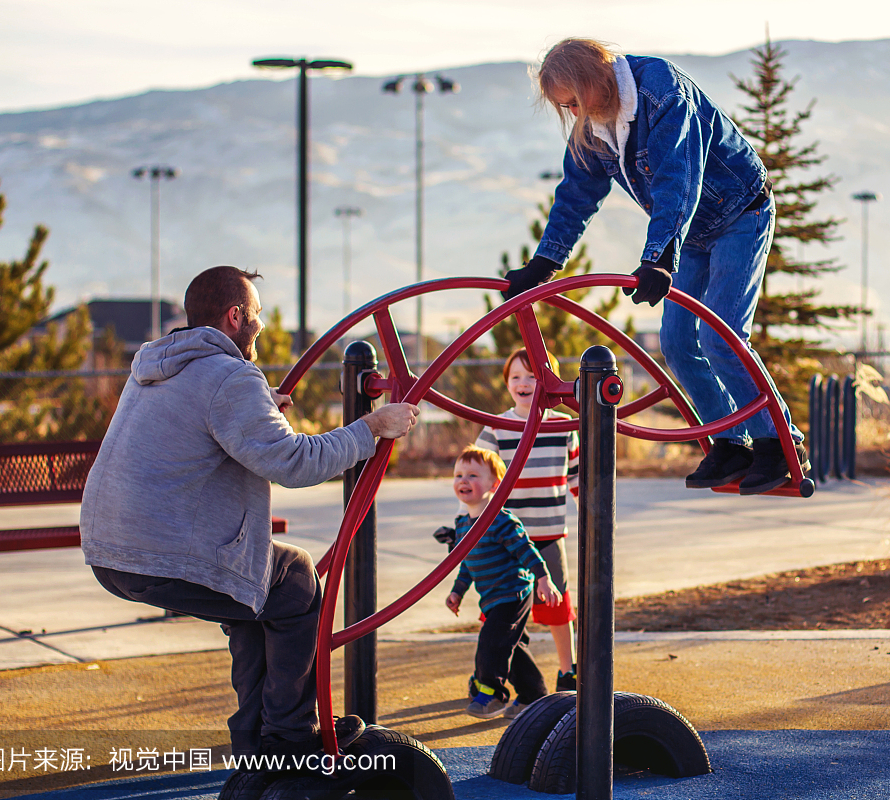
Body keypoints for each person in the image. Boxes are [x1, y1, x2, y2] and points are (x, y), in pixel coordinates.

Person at [79, 265, 420, 758]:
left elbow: (205, 426)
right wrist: (373, 426)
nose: (261, 324)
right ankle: (290, 737)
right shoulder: (230, 376)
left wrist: (260, 407)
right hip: (160, 552)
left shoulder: (157, 367)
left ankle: (256, 741)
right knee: (295, 580)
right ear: (235, 315)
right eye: (256, 313)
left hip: (109, 551)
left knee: (252, 595)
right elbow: (296, 463)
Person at [503, 37, 810, 495]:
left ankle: (780, 443)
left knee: (722, 334)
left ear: (593, 82)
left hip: (740, 214)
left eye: (573, 103)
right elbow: (575, 196)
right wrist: (545, 262)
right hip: (690, 232)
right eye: (564, 108)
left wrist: (659, 257)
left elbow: (677, 178)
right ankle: (731, 441)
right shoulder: (594, 128)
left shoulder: (662, 92)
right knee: (677, 340)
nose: (572, 116)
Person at [473, 348, 579, 691]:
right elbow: (478, 481)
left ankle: (568, 672)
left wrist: (599, 517)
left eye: (532, 375)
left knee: (558, 608)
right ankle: (512, 680)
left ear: (548, 380)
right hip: (507, 542)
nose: (523, 383)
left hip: (548, 534)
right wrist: (468, 523)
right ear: (506, 384)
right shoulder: (496, 430)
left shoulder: (565, 427)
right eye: (515, 376)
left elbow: (579, 479)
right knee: (502, 615)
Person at [444, 446, 561, 720]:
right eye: (459, 474)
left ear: (495, 484)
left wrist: (544, 579)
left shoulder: (501, 520)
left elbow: (526, 549)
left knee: (492, 643)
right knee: (513, 645)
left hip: (513, 593)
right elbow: (467, 564)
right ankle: (534, 696)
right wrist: (457, 591)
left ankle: (492, 694)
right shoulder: (462, 524)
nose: (464, 480)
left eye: (473, 475)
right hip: (492, 597)